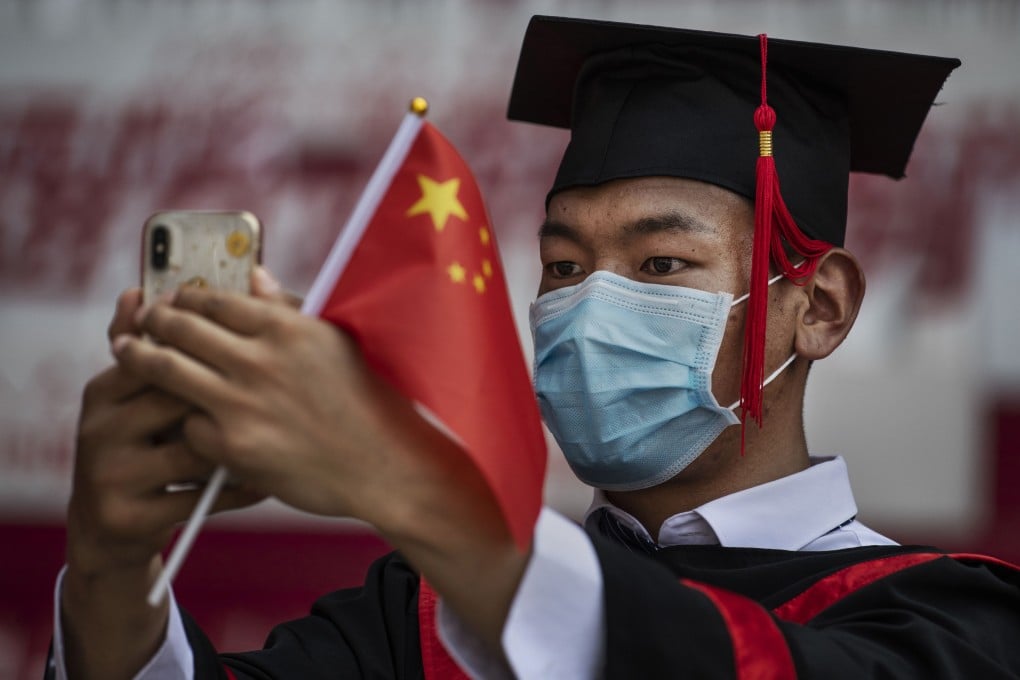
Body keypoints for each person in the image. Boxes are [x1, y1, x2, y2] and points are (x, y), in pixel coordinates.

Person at [50, 15, 1020, 680]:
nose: (592, 306)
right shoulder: (417, 610)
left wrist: (403, 471)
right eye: (563, 267)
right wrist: (109, 564)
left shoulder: (949, 623)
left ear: (822, 306)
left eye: (662, 261)